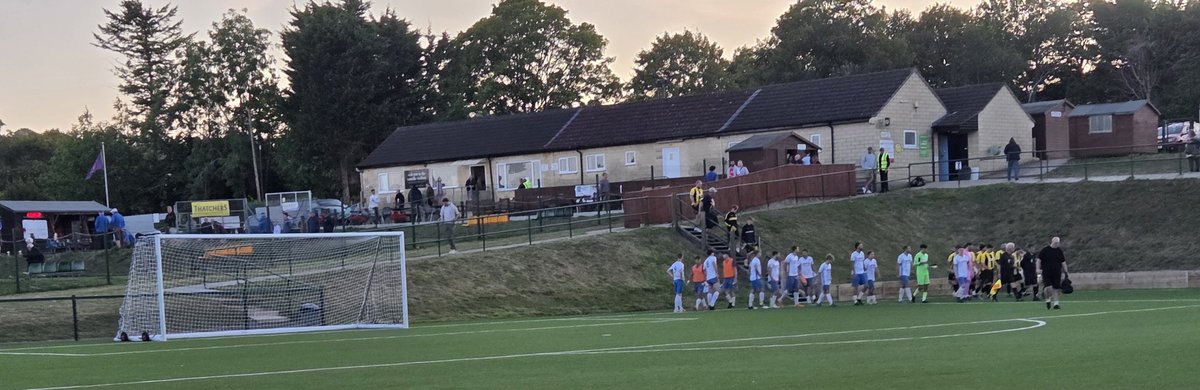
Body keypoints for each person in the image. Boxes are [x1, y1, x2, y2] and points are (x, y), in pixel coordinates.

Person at [1038, 237, 1068, 310]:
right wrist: (1037, 268)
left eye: (1058, 243)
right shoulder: (1045, 250)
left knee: (1056, 288)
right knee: (1048, 287)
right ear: (1052, 242)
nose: (1056, 244)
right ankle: (1047, 300)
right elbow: (1039, 260)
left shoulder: (1059, 251)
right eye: (1055, 243)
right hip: (1046, 272)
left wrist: (1066, 272)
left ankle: (1056, 304)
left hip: (1057, 272)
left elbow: (1063, 262)